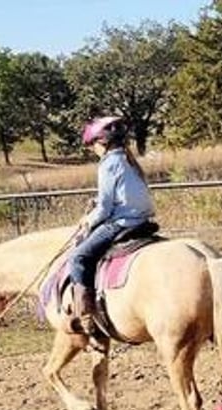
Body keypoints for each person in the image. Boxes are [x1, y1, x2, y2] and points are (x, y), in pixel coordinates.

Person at [67, 116, 156, 344]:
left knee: (78, 256)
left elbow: (105, 209)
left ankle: (85, 316)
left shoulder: (108, 164)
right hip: (142, 220)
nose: (93, 150)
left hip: (122, 222)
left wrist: (87, 220)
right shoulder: (128, 161)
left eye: (93, 145)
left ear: (102, 142)